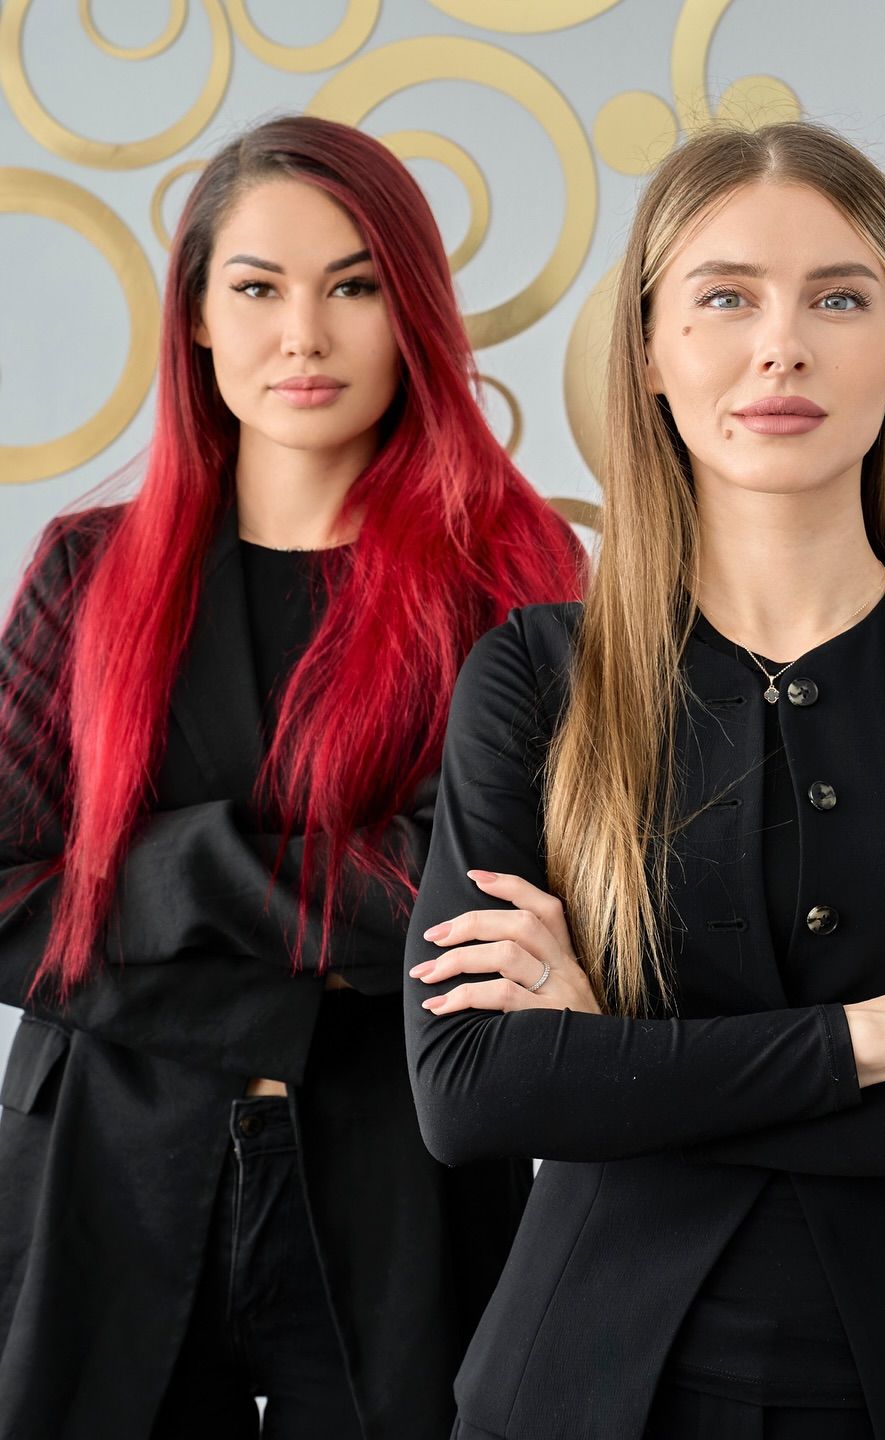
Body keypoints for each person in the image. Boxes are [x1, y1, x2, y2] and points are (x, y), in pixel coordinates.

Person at [403, 120, 885, 1440]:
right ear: (652, 352)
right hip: (585, 1391)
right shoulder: (533, 674)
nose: (780, 345)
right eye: (725, 296)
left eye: (838, 298)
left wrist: (619, 1071)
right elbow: (472, 1092)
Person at [0, 116, 583, 1440]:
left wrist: (151, 875)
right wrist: (317, 940)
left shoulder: (512, 585)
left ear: (411, 315)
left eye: (354, 285)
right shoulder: (86, 572)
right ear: (197, 319)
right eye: (258, 287)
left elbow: (469, 905)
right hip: (100, 1180)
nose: (303, 336)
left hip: (406, 1184)